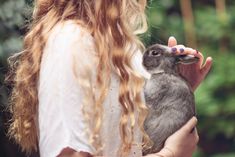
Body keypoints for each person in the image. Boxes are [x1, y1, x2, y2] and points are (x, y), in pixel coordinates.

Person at [6, 0, 212, 157]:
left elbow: (129, 137)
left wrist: (174, 89)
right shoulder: (70, 42)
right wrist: (169, 155)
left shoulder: (119, 45)